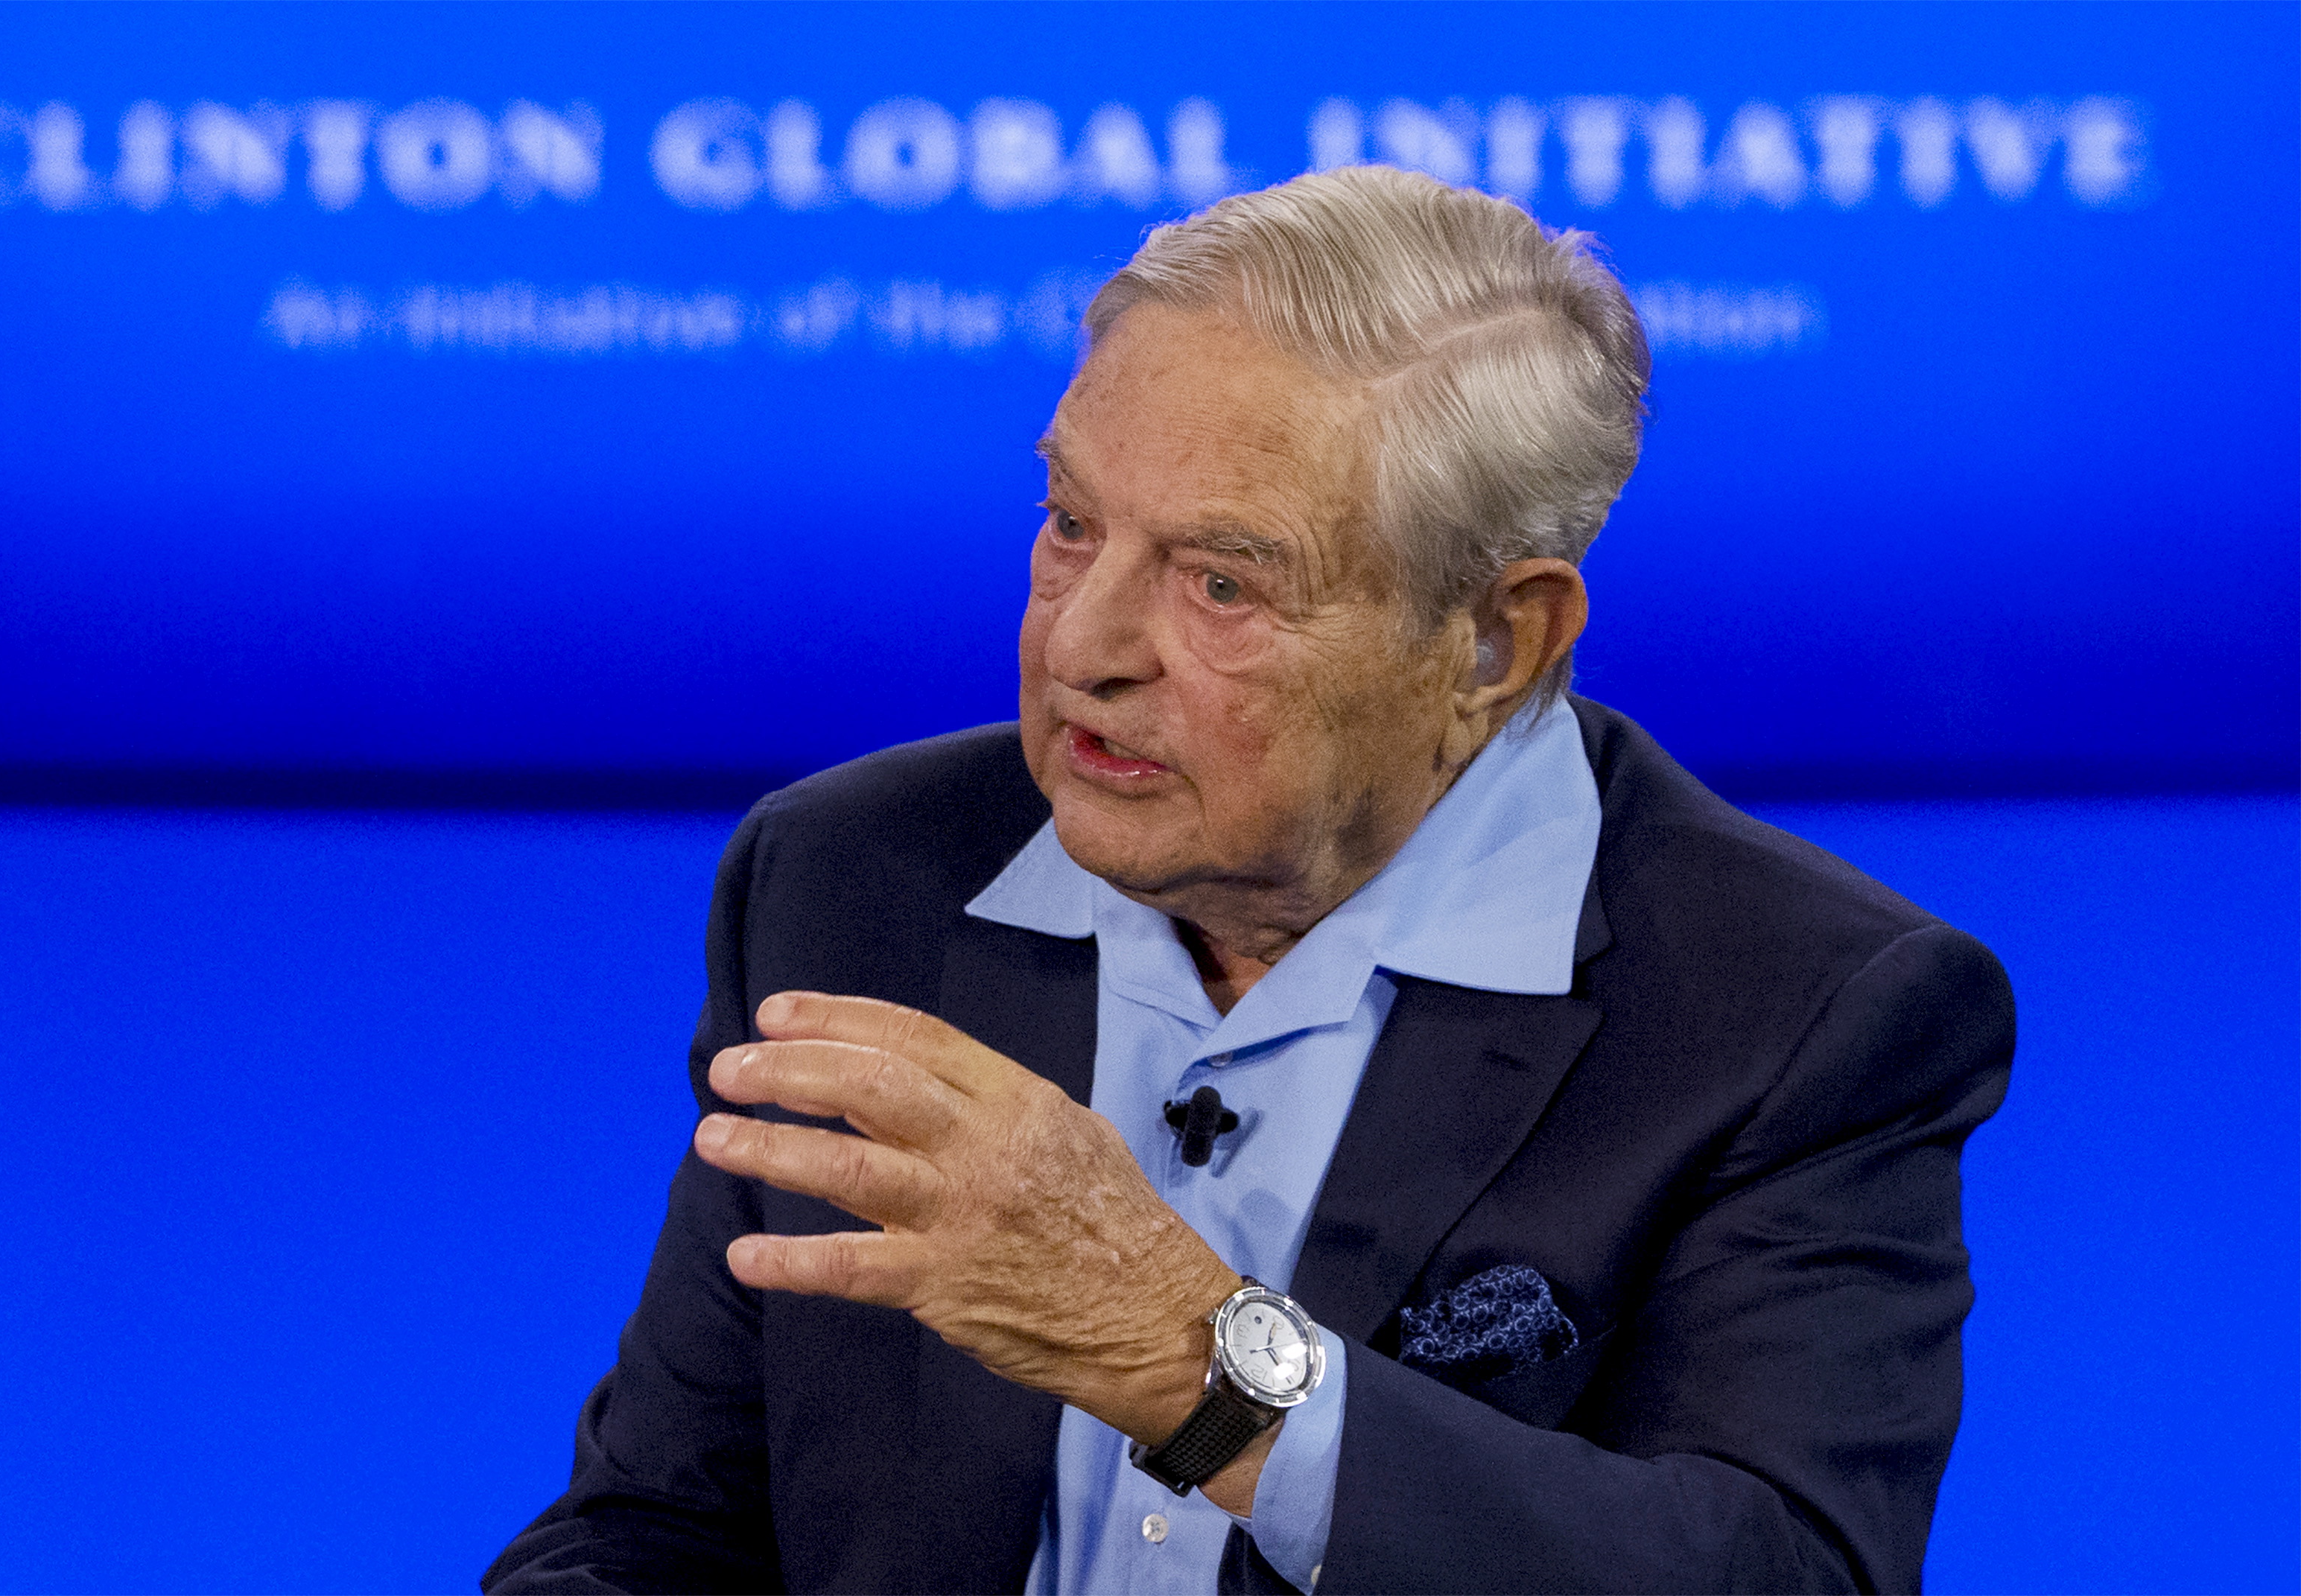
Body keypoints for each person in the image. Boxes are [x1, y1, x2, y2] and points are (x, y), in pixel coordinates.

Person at [484, 166, 2013, 1595]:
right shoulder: (850, 877)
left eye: (1223, 582)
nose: (1080, 644)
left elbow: (1769, 1570)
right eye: (1070, 523)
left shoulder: (1798, 1012)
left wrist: (1190, 1360)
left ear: (1494, 640)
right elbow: (658, 1523)